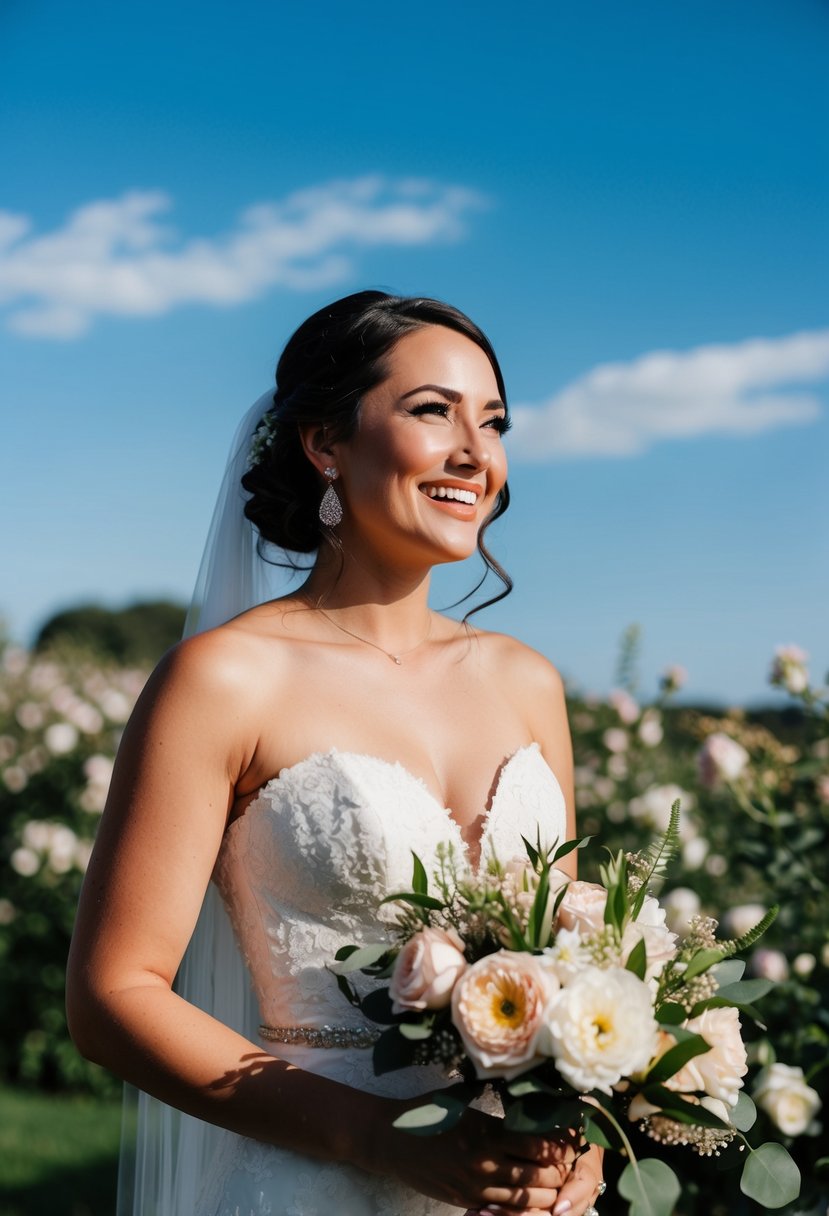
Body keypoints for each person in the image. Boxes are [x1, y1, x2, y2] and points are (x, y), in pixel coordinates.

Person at [66, 291, 605, 1216]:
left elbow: (571, 964)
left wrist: (585, 1133)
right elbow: (113, 995)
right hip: (312, 1184)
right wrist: (378, 1140)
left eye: (495, 422)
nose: (476, 453)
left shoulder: (528, 683)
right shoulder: (225, 679)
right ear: (324, 444)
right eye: (433, 411)